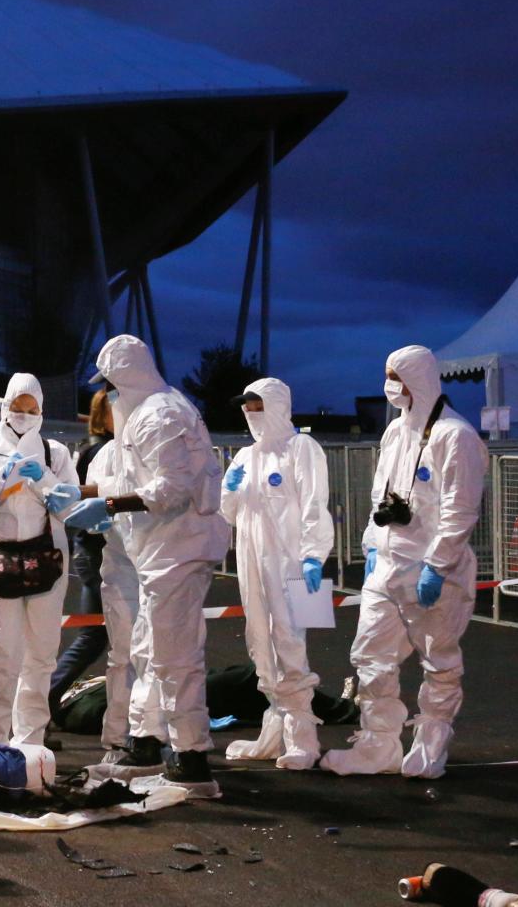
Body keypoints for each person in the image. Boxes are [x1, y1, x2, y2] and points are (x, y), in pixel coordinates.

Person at [66, 334, 230, 797]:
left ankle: (191, 757)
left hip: (178, 547)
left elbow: (171, 488)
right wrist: (85, 494)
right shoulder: (145, 413)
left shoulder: (161, 415)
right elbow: (130, 478)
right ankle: (148, 741)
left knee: (174, 654)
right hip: (158, 549)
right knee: (149, 646)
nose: (107, 392)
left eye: (110, 382)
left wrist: (108, 505)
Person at [322, 346, 486, 780]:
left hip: (432, 571)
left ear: (419, 379)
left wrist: (439, 565)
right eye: (387, 376)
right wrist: (372, 544)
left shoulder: (455, 436)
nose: (389, 386)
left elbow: (460, 511)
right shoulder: (396, 432)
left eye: (396, 377)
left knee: (439, 660)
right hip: (388, 566)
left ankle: (432, 742)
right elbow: (381, 493)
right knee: (370, 655)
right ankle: (377, 746)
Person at [0, 373, 81, 747]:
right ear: (6, 406)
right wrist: (1, 477)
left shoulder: (55, 452)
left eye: (32, 408)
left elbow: (70, 508)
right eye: (18, 406)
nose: (24, 414)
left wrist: (43, 478)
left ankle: (30, 740)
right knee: (1, 652)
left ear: (41, 410)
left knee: (41, 654)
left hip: (47, 559)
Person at [218, 378, 334, 770]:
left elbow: (315, 504)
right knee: (259, 639)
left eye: (258, 405)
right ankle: (275, 728)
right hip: (252, 562)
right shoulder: (245, 456)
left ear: (277, 405)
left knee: (290, 639)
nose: (251, 413)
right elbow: (227, 514)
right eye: (247, 407)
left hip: (292, 563)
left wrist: (314, 555)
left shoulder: (302, 448)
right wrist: (228, 490)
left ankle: (302, 738)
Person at [83, 392, 166, 766]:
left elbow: (164, 495)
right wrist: (90, 514)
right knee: (123, 654)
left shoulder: (153, 450)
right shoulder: (104, 455)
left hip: (155, 561)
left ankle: (154, 734)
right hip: (119, 563)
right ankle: (119, 737)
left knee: (157, 653)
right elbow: (94, 507)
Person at [47, 391, 114, 715]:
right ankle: (43, 700)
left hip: (90, 549)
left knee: (94, 636)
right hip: (98, 549)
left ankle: (44, 701)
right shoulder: (103, 450)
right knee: (95, 636)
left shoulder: (90, 447)